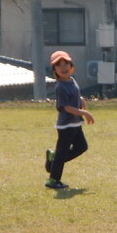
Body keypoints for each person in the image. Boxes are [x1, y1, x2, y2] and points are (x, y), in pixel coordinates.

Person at [45, 50, 94, 189]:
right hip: (66, 126)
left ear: (71, 66)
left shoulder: (72, 81)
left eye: (66, 64)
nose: (63, 67)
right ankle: (53, 180)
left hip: (76, 122)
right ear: (54, 70)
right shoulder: (60, 87)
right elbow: (65, 107)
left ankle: (54, 158)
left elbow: (75, 95)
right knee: (62, 152)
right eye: (59, 65)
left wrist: (80, 99)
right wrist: (84, 113)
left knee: (81, 147)